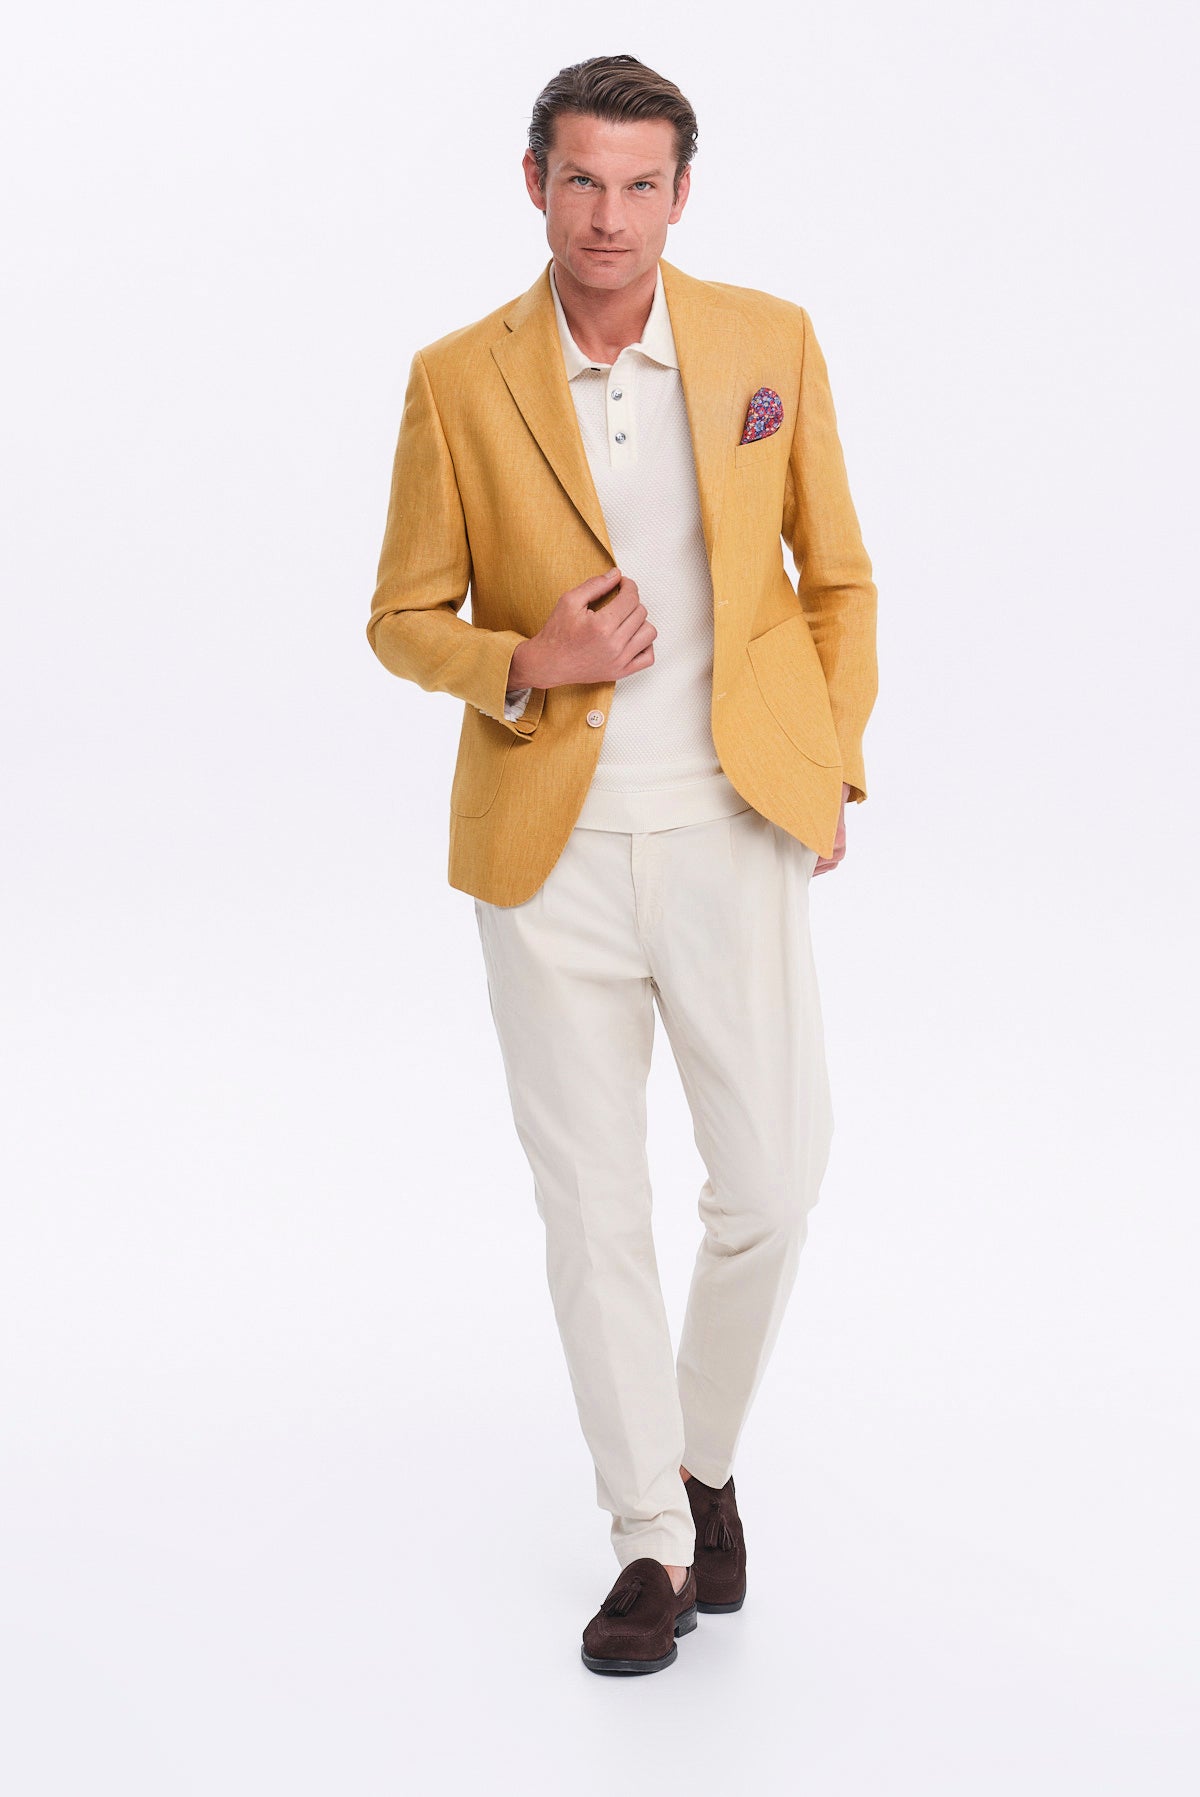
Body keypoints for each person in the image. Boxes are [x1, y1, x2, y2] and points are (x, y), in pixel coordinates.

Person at [366, 53, 878, 1676]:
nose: (609, 215)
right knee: (592, 1207)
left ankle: (697, 1455)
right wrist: (528, 657)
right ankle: (651, 1538)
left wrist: (830, 760)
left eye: (640, 183)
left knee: (773, 1184)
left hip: (734, 821)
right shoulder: (457, 377)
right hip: (552, 846)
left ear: (680, 194)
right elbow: (401, 618)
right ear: (536, 182)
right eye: (581, 179)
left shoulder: (767, 342)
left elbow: (838, 578)